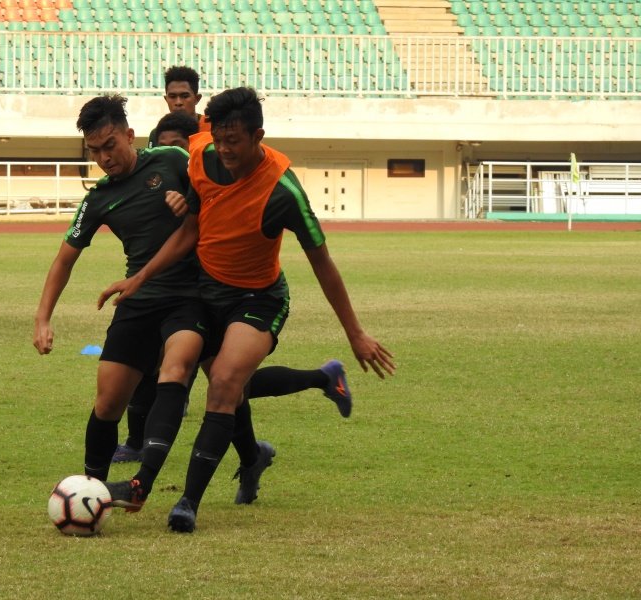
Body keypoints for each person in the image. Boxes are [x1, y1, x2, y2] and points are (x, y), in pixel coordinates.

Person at [99, 87, 395, 533]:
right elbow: (191, 229)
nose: (225, 149)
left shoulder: (283, 190)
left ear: (258, 135)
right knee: (202, 380)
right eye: (219, 138)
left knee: (223, 384)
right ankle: (250, 450)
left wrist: (355, 332)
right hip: (203, 292)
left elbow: (324, 265)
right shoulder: (200, 153)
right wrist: (141, 277)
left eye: (235, 140)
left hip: (258, 298)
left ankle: (185, 502)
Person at [112, 111, 354, 464]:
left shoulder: (214, 157)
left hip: (226, 291)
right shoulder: (167, 180)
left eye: (178, 146)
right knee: (210, 380)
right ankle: (248, 451)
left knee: (223, 383)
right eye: (162, 148)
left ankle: (156, 459)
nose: (173, 154)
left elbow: (208, 225)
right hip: (189, 291)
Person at [33, 94, 208, 510]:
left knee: (176, 368)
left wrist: (190, 202)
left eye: (110, 145)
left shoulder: (170, 159)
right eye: (94, 151)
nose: (104, 158)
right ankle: (89, 491)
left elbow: (212, 193)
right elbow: (63, 259)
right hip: (137, 297)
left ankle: (141, 485)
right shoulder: (98, 198)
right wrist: (43, 318)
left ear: (130, 135)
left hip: (191, 294)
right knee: (109, 400)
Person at [147, 66, 211, 149]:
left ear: (197, 99)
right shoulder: (157, 134)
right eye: (172, 96)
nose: (178, 102)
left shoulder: (211, 128)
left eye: (184, 96)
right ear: (166, 99)